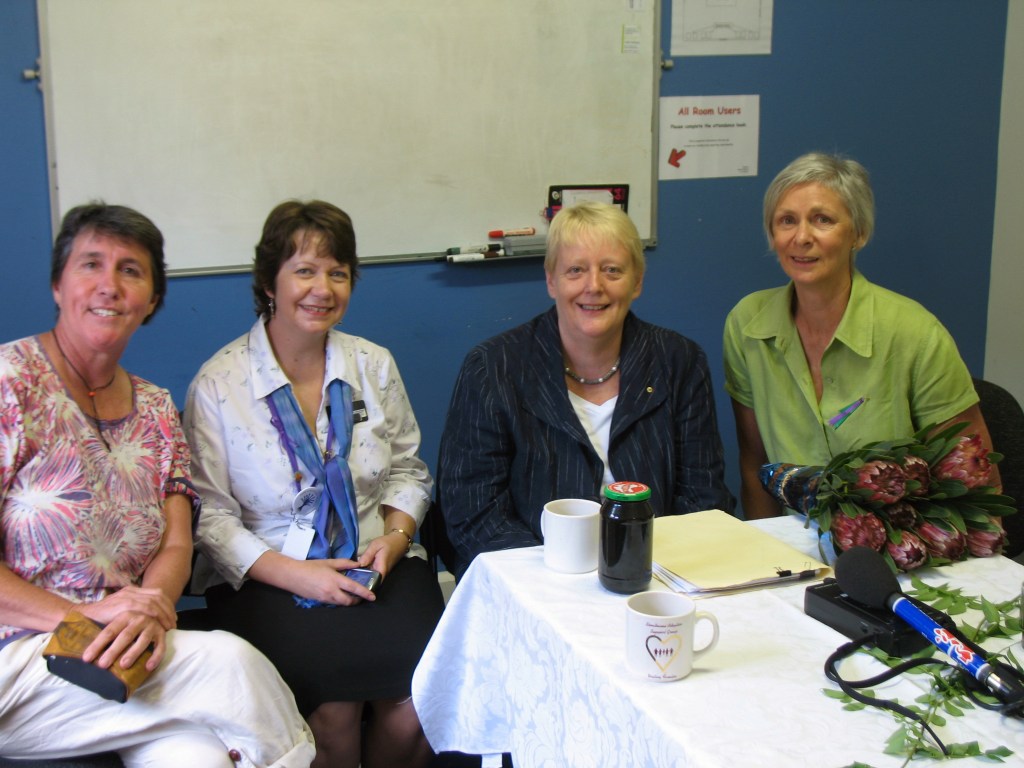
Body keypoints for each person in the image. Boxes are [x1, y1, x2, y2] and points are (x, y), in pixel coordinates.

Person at [0, 203, 315, 767]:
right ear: (57, 284)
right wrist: (84, 619)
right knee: (229, 663)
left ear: (152, 299)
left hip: (128, 651)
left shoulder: (155, 408)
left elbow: (175, 543)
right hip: (22, 657)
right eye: (90, 265)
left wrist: (150, 609)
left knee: (198, 758)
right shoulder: (9, 384)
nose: (109, 285)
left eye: (130, 270)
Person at [183, 200, 443, 768]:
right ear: (269, 282)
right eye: (304, 270)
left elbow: (407, 470)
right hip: (270, 575)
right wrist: (299, 574)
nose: (322, 288)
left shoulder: (373, 365)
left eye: (337, 272)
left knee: (417, 702)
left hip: (379, 565)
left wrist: (395, 541)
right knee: (333, 710)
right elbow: (212, 518)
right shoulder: (218, 384)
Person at [436, 201, 734, 578]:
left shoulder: (679, 362)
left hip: (658, 573)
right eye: (576, 270)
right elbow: (472, 511)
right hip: (534, 579)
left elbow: (703, 497)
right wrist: (558, 581)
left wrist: (649, 570)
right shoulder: (493, 368)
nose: (594, 286)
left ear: (637, 282)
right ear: (551, 281)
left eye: (612, 270)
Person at [723, 152, 1001, 519]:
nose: (801, 237)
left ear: (859, 232)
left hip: (903, 549)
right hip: (796, 550)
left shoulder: (914, 333)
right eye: (787, 221)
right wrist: (767, 565)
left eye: (822, 219)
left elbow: (975, 481)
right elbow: (753, 464)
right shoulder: (748, 325)